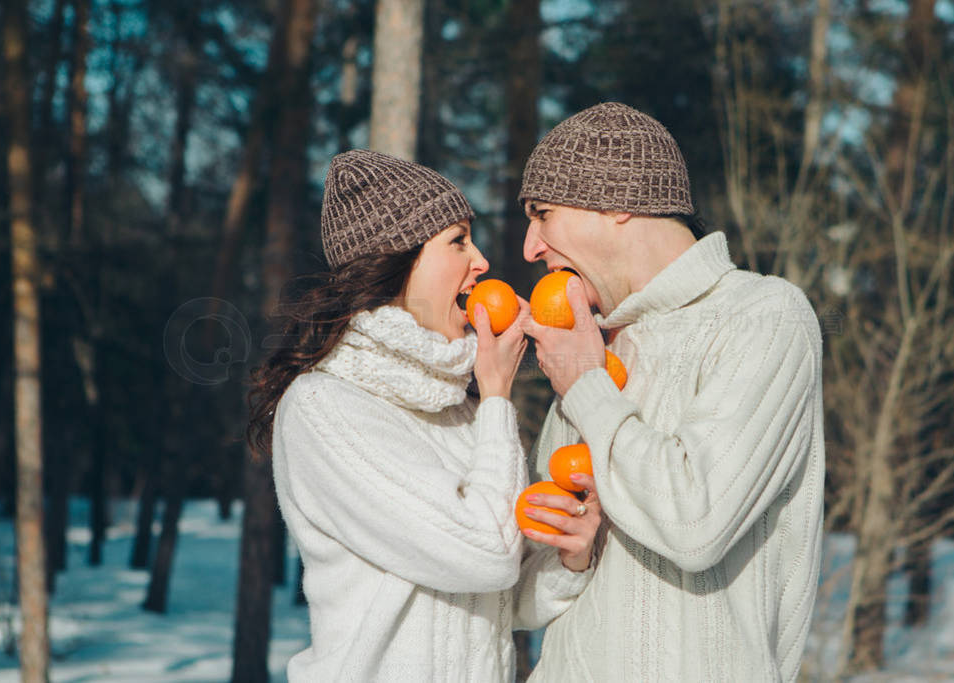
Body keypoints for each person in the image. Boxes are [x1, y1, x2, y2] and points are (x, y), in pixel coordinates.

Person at [245, 150, 602, 681]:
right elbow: (485, 553)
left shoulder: (456, 403)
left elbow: (503, 595)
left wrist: (568, 557)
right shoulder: (326, 407)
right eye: (457, 241)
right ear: (396, 262)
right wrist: (498, 393)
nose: (481, 262)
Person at [515, 102, 826, 681]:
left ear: (615, 205)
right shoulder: (591, 345)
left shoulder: (765, 317)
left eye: (544, 214)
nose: (531, 246)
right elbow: (524, 603)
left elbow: (694, 522)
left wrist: (584, 382)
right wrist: (570, 558)